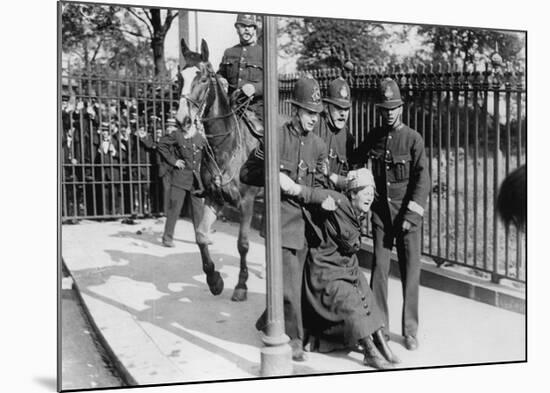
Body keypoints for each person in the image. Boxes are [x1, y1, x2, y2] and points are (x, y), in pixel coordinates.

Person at [240, 75, 328, 361]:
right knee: (288, 287)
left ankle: (269, 322)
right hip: (282, 224)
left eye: (316, 113)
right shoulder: (277, 137)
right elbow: (246, 173)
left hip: (307, 225)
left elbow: (320, 186)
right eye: (308, 112)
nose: (313, 118)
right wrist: (272, 175)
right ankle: (294, 340)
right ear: (295, 109)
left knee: (298, 284)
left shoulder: (318, 145)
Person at [278, 167, 399, 369]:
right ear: (352, 193)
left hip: (346, 266)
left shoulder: (359, 211)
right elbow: (307, 193)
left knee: (367, 295)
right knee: (350, 301)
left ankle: (382, 344)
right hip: (325, 269)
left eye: (371, 193)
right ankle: (369, 350)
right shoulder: (335, 198)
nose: (369, 198)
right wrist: (289, 185)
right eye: (365, 192)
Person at [351, 78, 430, 350]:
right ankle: (380, 325)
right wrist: (361, 187)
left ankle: (410, 330)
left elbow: (423, 181)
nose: (389, 113)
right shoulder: (375, 136)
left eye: (393, 108)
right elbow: (356, 160)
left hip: (406, 217)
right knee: (379, 269)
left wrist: (411, 216)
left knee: (410, 272)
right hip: (382, 214)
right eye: (385, 109)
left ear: (402, 108)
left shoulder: (413, 139)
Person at [156, 118, 206, 248]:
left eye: (188, 126)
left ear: (193, 125)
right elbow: (161, 144)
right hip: (180, 178)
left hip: (196, 180)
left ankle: (200, 237)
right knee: (174, 209)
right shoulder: (177, 135)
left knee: (198, 210)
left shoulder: (200, 137)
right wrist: (174, 161)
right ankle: (167, 238)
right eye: (183, 126)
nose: (185, 129)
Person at [217, 13, 263, 132]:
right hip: (230, 108)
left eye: (250, 26)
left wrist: (255, 88)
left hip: (256, 109)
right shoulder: (229, 52)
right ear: (237, 28)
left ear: (254, 29)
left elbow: (274, 83)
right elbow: (220, 73)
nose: (246, 29)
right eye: (242, 26)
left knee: (263, 137)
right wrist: (221, 79)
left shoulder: (263, 53)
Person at [314, 77, 356, 190]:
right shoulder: (314, 128)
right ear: (326, 108)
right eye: (338, 108)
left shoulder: (348, 139)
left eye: (346, 109)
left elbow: (347, 179)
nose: (343, 114)